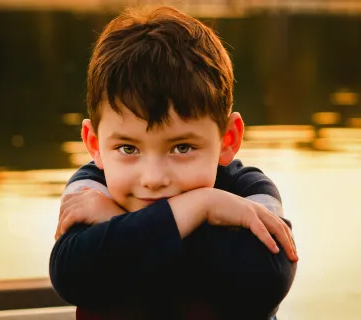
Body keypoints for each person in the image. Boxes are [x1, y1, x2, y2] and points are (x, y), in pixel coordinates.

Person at [49, 6, 298, 320]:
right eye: (128, 148)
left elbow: (266, 277)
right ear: (94, 144)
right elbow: (73, 274)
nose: (153, 179)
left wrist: (121, 228)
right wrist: (195, 209)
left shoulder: (248, 189)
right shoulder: (93, 188)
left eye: (182, 147)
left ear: (228, 140)